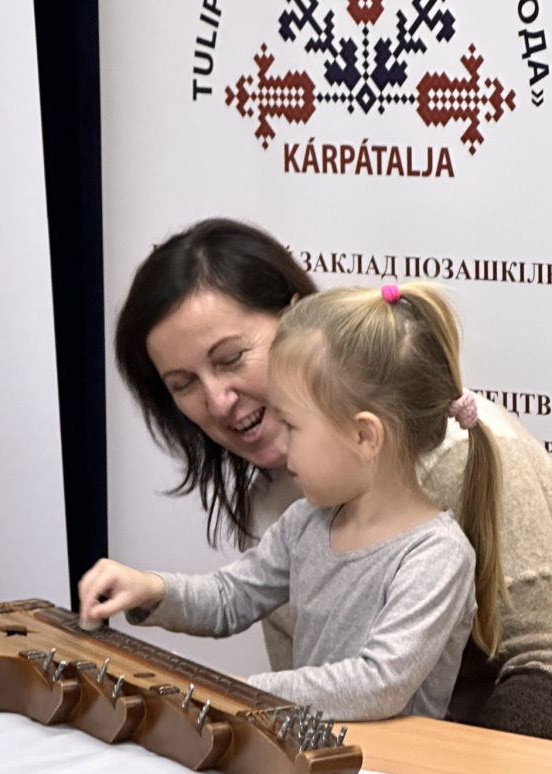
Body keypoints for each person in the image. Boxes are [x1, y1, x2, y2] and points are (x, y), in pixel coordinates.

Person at [110, 218, 552, 736]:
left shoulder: (447, 508)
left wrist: (237, 692)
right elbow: (237, 601)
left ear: (296, 321)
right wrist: (152, 592)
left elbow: (533, 661)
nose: (217, 401)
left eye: (231, 359)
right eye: (183, 384)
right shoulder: (297, 511)